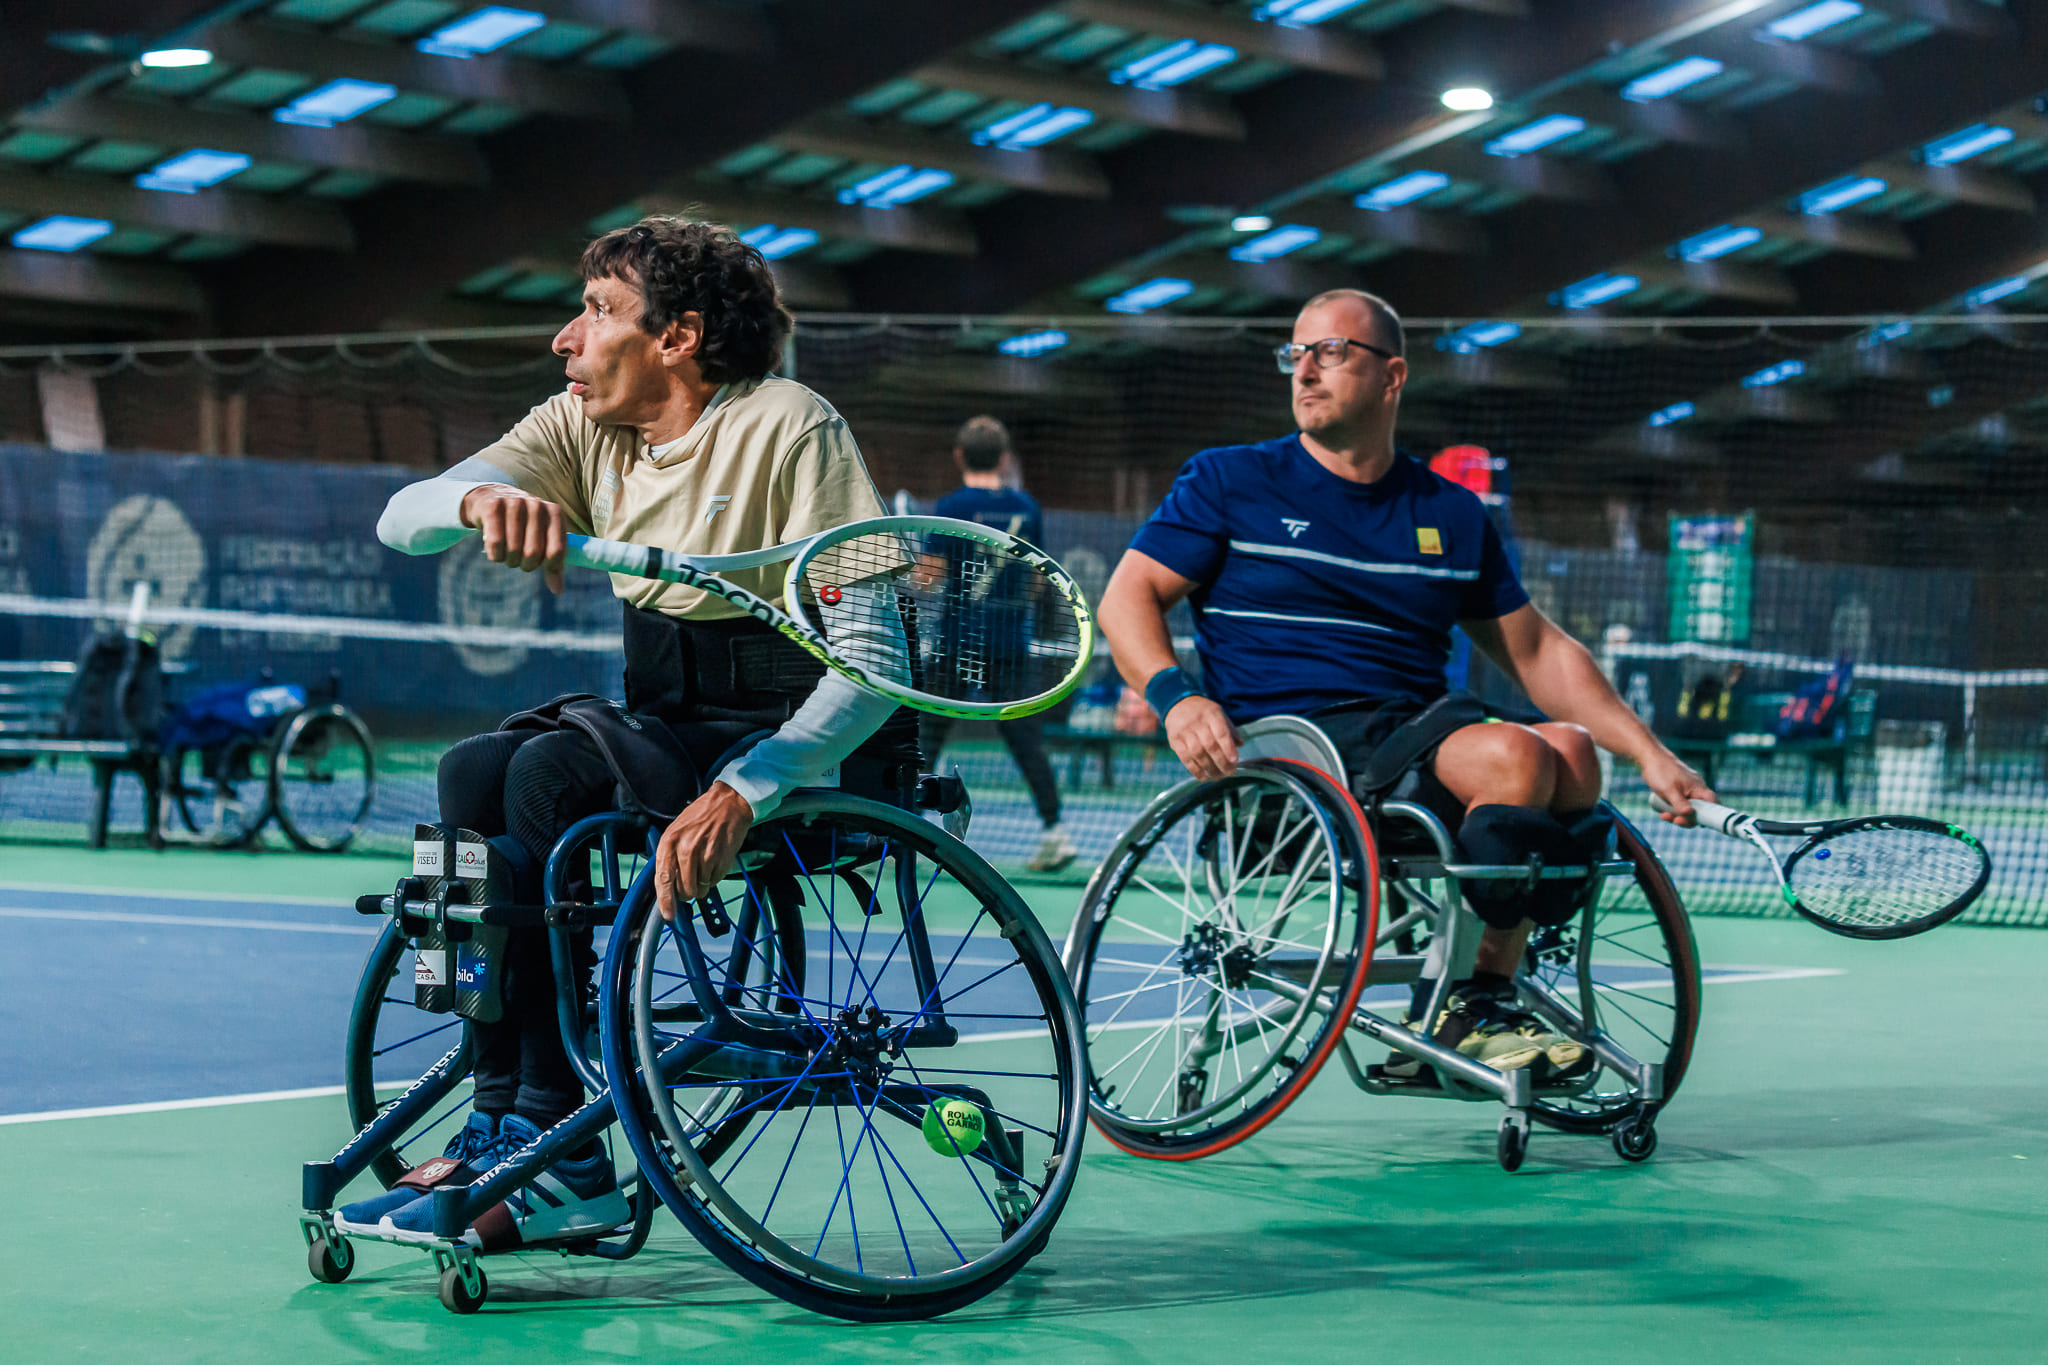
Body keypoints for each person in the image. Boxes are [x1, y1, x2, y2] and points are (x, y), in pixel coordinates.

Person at [338, 216, 914, 1246]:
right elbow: (399, 514)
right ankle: (503, 1113)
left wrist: (750, 788)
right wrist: (477, 500)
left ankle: (564, 1148)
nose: (567, 336)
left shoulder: (788, 423)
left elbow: (876, 665)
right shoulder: (579, 429)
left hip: (796, 735)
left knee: (548, 780)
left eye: (599, 310)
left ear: (678, 337)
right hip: (666, 722)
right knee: (475, 770)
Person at [1095, 287, 1714, 1083]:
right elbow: (1126, 597)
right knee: (1516, 759)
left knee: (1574, 750)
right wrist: (1177, 696)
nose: (1305, 371)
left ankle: (1482, 994)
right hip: (1295, 750)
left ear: (1392, 377)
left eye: (1331, 351)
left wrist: (1651, 754)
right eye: (1296, 353)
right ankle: (1471, 1003)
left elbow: (1537, 652)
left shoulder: (1450, 515)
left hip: (1413, 734)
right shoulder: (1231, 481)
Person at [919, 416, 1076, 874]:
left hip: (957, 643)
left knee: (923, 739)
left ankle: (899, 833)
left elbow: (930, 577)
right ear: (1005, 457)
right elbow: (1037, 580)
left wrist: (904, 574)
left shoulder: (951, 506)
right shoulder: (1028, 508)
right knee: (1027, 741)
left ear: (959, 456)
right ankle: (1056, 834)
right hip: (1009, 644)